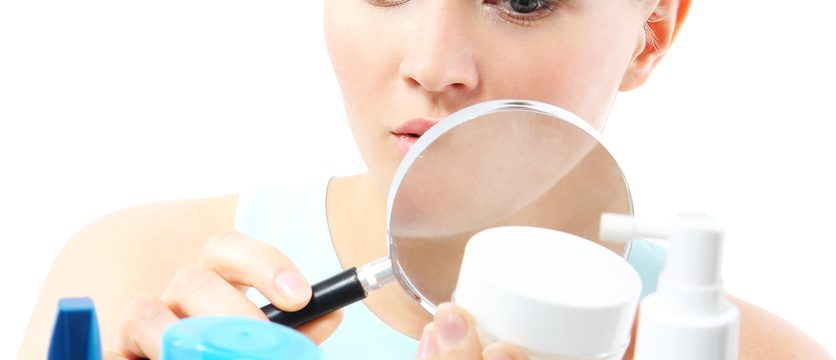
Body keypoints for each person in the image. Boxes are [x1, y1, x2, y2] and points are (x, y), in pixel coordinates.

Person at [18, 0, 831, 359]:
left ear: (651, 33)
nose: (434, 65)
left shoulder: (759, 358)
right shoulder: (128, 283)